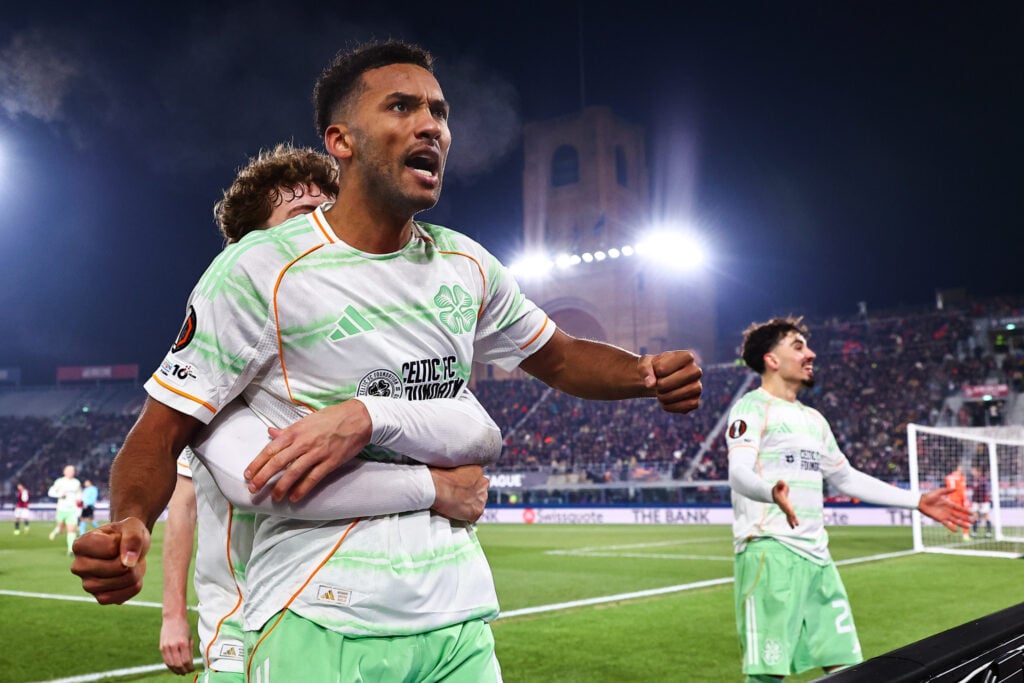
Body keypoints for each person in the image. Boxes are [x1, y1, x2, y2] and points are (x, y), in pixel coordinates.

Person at [72, 40, 703, 681]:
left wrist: (644, 374)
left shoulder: (466, 264)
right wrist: (127, 523)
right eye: (401, 106)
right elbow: (161, 431)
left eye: (439, 110)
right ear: (341, 141)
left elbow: (561, 357)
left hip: (458, 614)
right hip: (321, 613)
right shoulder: (260, 270)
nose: (430, 124)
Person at [158, 144, 494, 681]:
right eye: (301, 218)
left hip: (342, 605)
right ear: (254, 248)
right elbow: (201, 500)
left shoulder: (347, 355)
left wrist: (372, 417)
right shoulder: (215, 367)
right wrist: (174, 612)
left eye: (328, 211)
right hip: (240, 619)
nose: (323, 231)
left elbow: (477, 429)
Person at [726, 317, 972, 681]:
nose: (810, 353)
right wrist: (769, 492)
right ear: (772, 360)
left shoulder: (814, 419)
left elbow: (846, 477)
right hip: (771, 553)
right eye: (797, 346)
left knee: (848, 668)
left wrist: (916, 501)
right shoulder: (751, 408)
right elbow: (738, 471)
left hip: (818, 558)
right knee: (766, 676)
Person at [48, 465, 82, 555]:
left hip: (72, 510)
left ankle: (70, 550)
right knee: (61, 529)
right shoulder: (59, 482)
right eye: (69, 470)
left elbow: (79, 493)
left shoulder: (76, 482)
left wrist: (79, 499)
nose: (71, 472)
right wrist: (60, 495)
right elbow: (50, 492)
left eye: (72, 471)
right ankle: (55, 532)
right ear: (64, 472)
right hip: (61, 509)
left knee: (71, 530)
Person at [945, 464, 970, 540]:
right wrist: (965, 500)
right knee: (965, 517)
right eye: (960, 467)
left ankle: (951, 529)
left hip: (951, 500)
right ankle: (965, 535)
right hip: (959, 500)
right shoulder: (961, 477)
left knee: (954, 516)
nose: (961, 469)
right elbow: (962, 490)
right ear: (957, 468)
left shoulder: (948, 477)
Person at [970, 466, 992, 538]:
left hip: (983, 501)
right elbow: (975, 492)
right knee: (974, 516)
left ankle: (988, 533)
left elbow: (983, 492)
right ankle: (974, 533)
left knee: (985, 517)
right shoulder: (974, 480)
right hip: (976, 501)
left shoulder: (982, 480)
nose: (972, 471)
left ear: (978, 471)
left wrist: (980, 502)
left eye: (973, 470)